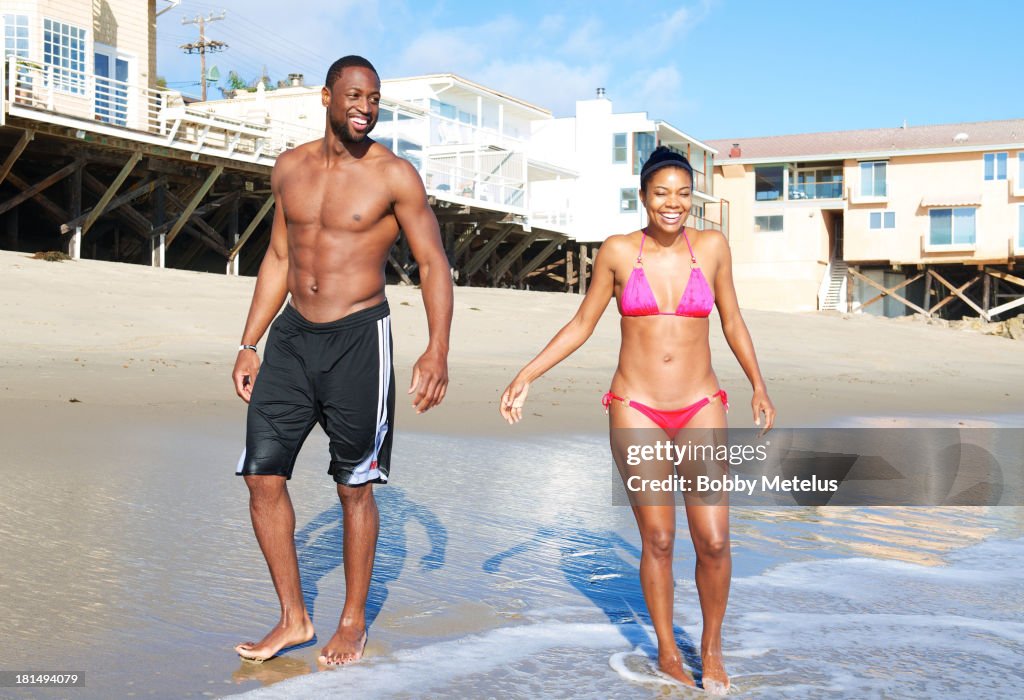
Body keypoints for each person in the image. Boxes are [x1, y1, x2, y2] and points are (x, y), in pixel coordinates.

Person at [499, 146, 775, 692]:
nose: (673, 204)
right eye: (661, 194)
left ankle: (713, 650)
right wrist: (527, 374)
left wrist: (758, 385)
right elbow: (581, 324)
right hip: (636, 408)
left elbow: (733, 320)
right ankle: (670, 652)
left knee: (715, 540)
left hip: (701, 405)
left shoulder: (713, 248)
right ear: (644, 197)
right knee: (660, 538)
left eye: (682, 194)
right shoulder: (619, 253)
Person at [231, 55, 453, 666]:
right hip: (292, 339)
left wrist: (437, 348)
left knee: (354, 487)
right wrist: (250, 342)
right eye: (355, 95)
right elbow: (278, 256)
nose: (365, 106)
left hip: (359, 340)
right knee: (261, 475)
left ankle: (351, 622)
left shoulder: (394, 175)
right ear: (327, 96)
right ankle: (294, 617)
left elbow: (433, 263)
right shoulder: (290, 168)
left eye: (374, 98)